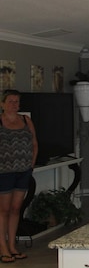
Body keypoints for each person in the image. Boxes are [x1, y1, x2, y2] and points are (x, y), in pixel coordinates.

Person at [0, 90, 37, 262]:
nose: (14, 104)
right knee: (4, 210)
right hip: (4, 173)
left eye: (16, 101)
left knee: (16, 210)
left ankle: (13, 246)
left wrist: (31, 164)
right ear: (2, 104)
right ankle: (3, 248)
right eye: (10, 101)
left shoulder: (26, 120)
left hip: (23, 171)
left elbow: (34, 143)